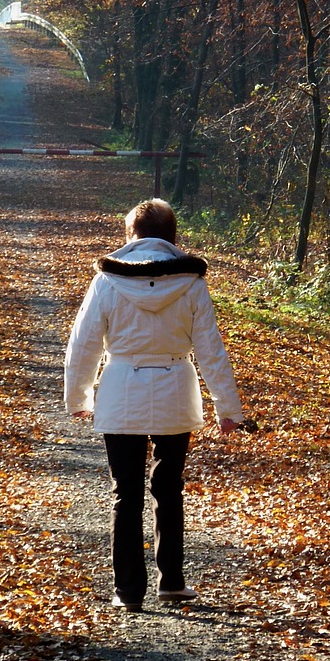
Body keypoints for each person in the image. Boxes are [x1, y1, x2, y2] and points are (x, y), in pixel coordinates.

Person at [64, 199, 244, 612]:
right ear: (172, 235)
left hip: (120, 388)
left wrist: (79, 397)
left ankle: (127, 590)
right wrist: (227, 407)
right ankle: (171, 581)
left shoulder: (107, 280)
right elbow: (211, 349)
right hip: (174, 387)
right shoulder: (191, 282)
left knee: (125, 493)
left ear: (131, 235)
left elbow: (84, 343)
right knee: (168, 488)